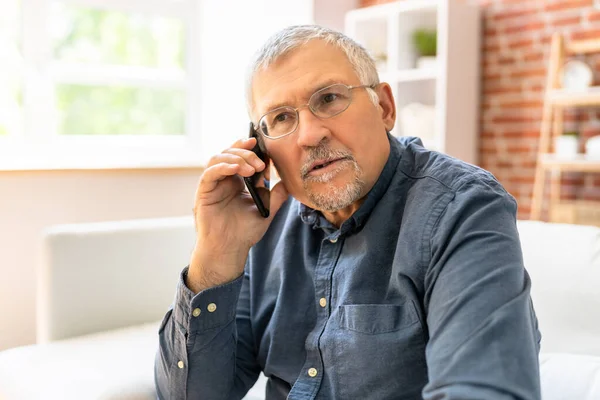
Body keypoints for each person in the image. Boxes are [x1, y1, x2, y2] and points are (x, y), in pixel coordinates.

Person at [154, 25, 541, 400]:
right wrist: (216, 254)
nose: (309, 135)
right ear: (261, 149)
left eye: (329, 99)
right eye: (282, 118)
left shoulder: (463, 208)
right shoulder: (264, 226)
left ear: (385, 107)